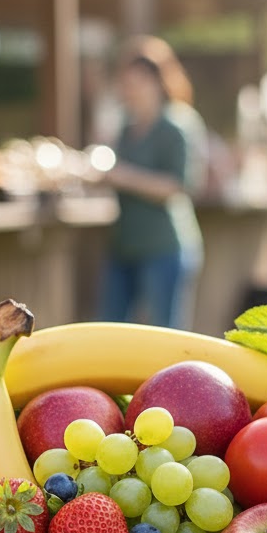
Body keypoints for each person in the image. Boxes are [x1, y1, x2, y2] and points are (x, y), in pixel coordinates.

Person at [93, 38, 204, 330]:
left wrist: (124, 177)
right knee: (111, 329)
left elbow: (180, 186)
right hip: (125, 245)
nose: (129, 89)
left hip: (163, 247)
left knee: (164, 332)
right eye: (126, 82)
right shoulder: (125, 127)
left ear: (157, 82)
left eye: (136, 82)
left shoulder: (176, 126)